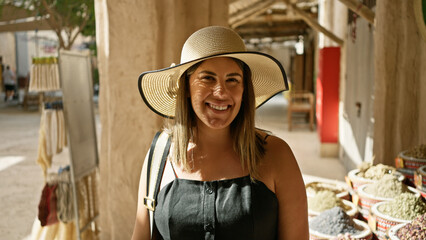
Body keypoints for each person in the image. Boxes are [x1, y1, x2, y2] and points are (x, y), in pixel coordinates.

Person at [132, 26, 308, 240]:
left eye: (232, 79)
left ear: (245, 90)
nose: (221, 92)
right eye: (207, 78)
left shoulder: (278, 156)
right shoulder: (159, 155)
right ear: (186, 87)